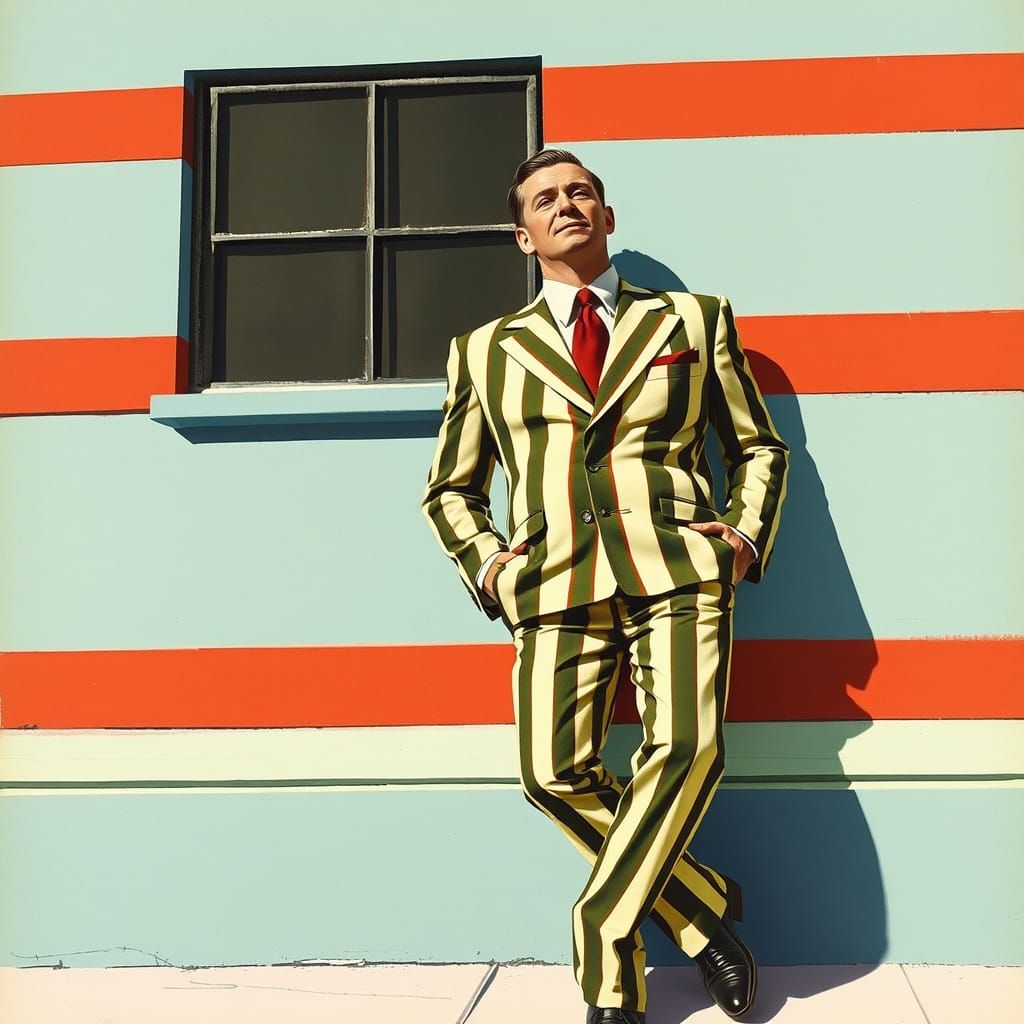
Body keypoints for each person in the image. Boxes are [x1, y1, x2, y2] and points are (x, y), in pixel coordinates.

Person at [422, 149, 789, 1024]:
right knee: (551, 774)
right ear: (524, 235)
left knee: (688, 747)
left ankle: (608, 956)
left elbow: (757, 446)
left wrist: (741, 537)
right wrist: (492, 565)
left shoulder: (693, 320)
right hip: (553, 583)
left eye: (581, 192)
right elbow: (450, 489)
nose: (567, 205)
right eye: (546, 199)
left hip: (677, 570)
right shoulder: (484, 351)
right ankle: (700, 912)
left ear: (608, 216)